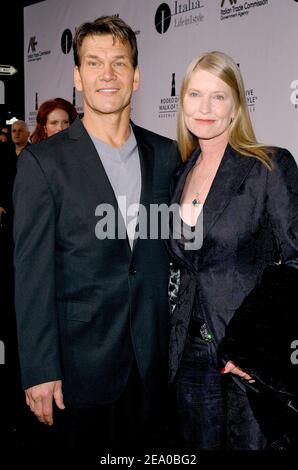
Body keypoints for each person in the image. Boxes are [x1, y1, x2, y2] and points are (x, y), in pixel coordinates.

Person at [13, 15, 180, 457]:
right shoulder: (42, 163)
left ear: (137, 76)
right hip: (77, 370)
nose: (107, 75)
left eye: (119, 63)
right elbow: (31, 274)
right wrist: (38, 369)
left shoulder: (166, 154)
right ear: (77, 77)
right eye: (94, 63)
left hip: (152, 368)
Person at [167, 51, 298, 451]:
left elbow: (296, 260)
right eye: (194, 94)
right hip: (188, 357)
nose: (205, 108)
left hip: (245, 364)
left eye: (219, 96)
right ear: (182, 102)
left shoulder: (268, 165)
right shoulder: (180, 174)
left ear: (237, 105)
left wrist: (254, 350)